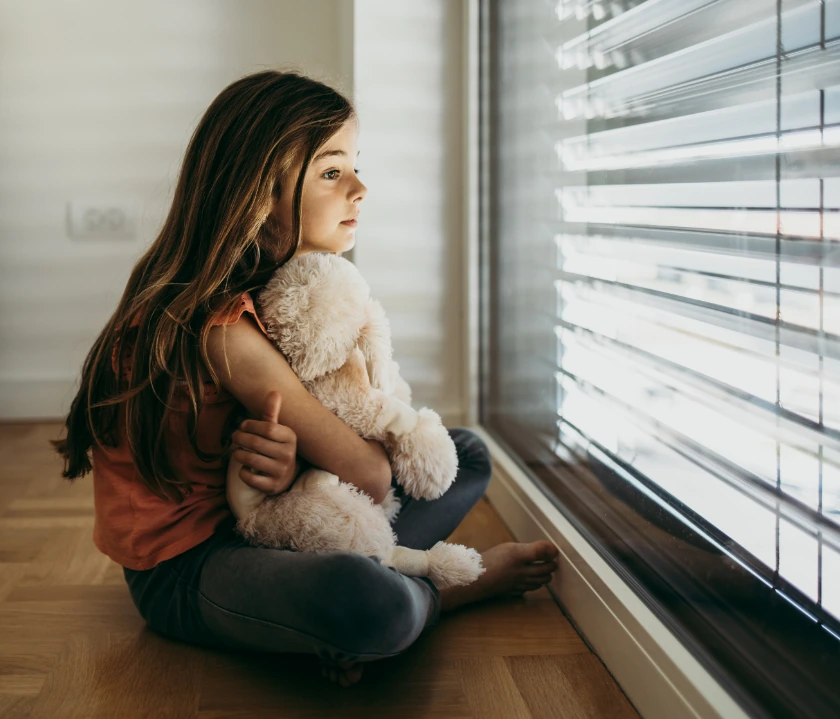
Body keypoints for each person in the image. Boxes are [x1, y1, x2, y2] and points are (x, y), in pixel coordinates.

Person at [53, 69, 560, 688]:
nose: (360, 188)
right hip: (191, 567)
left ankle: (344, 609)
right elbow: (371, 477)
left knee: (466, 453)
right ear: (258, 196)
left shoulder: (262, 290)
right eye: (331, 171)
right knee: (375, 603)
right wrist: (303, 469)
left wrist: (295, 469)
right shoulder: (226, 334)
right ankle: (442, 591)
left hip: (278, 515)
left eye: (355, 166)